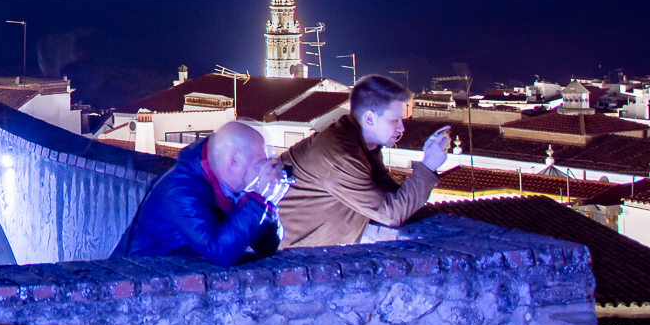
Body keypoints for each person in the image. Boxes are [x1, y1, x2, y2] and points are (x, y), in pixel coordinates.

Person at [277, 74, 452, 248]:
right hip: (283, 262)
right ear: (369, 118)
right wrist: (428, 166)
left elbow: (391, 196)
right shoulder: (341, 155)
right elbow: (391, 214)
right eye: (395, 120)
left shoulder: (362, 146)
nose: (402, 128)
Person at [113, 121, 289, 264]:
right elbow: (220, 253)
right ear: (234, 160)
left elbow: (266, 246)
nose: (263, 170)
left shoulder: (231, 186)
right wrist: (259, 199)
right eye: (259, 162)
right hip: (138, 284)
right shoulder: (180, 190)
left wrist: (268, 203)